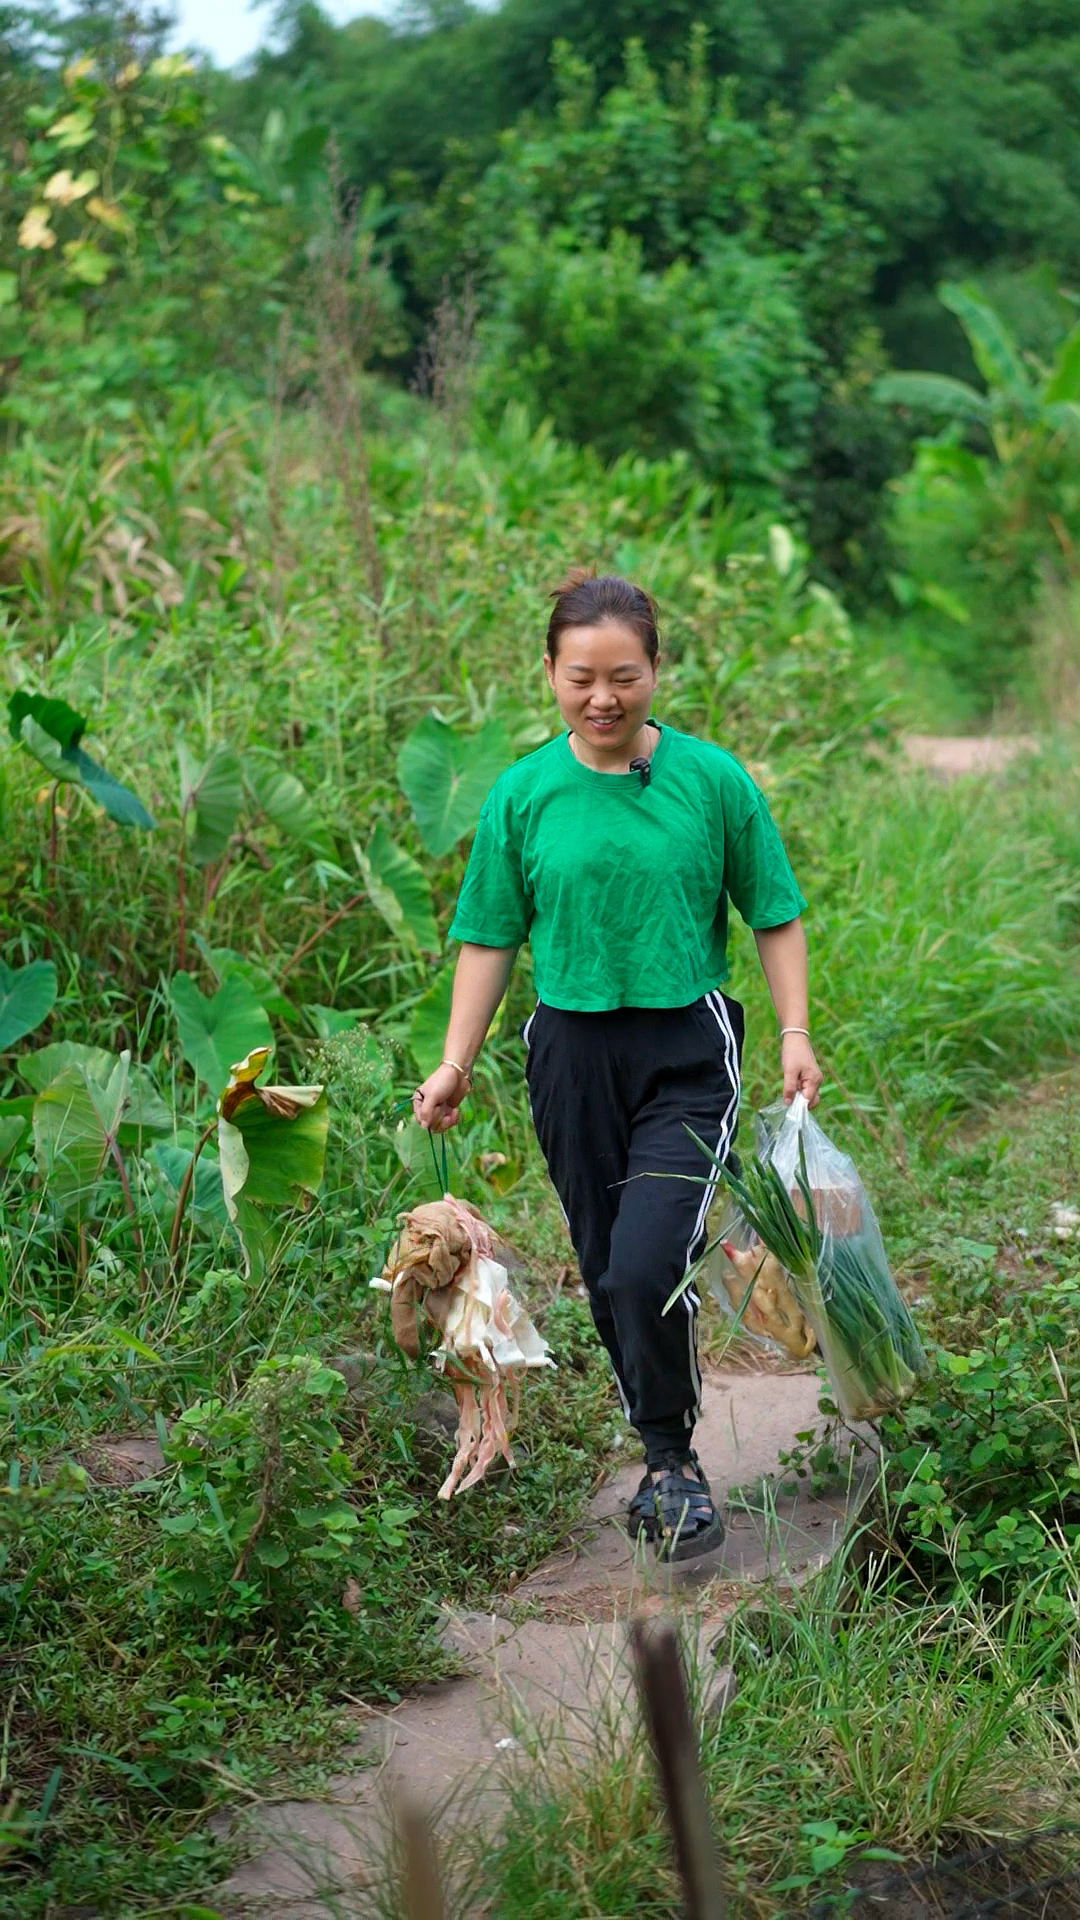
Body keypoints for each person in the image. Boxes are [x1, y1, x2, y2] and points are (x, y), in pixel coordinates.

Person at [413, 570, 822, 1568]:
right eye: (582, 678)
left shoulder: (711, 781)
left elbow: (773, 912)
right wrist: (456, 1060)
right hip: (571, 1056)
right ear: (551, 674)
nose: (603, 698)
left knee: (646, 1261)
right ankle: (661, 1448)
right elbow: (489, 935)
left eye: (624, 677)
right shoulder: (523, 793)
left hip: (688, 1049)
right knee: (608, 1269)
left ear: (655, 671)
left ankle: (672, 1459)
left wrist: (793, 1032)